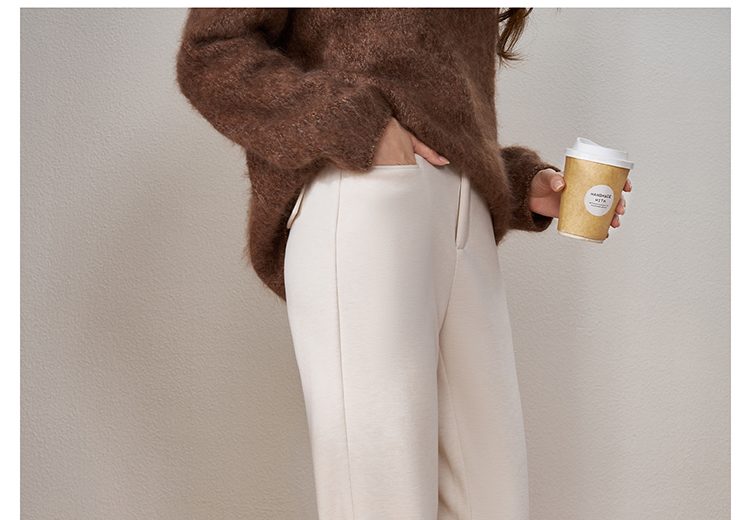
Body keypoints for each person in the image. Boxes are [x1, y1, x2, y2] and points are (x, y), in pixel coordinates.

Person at [176, 8, 630, 520]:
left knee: (495, 500)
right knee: (382, 496)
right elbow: (210, 51)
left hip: (467, 227)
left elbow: (435, 118)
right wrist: (354, 122)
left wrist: (519, 183)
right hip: (366, 195)